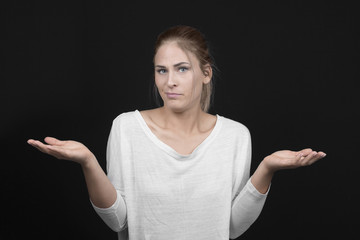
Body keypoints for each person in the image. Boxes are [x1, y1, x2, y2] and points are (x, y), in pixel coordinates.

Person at [27, 25, 326, 240]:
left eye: (182, 69)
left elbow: (231, 228)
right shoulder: (127, 128)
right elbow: (119, 221)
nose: (170, 81)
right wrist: (88, 162)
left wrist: (267, 168)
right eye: (162, 70)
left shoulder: (236, 136)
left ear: (205, 74)